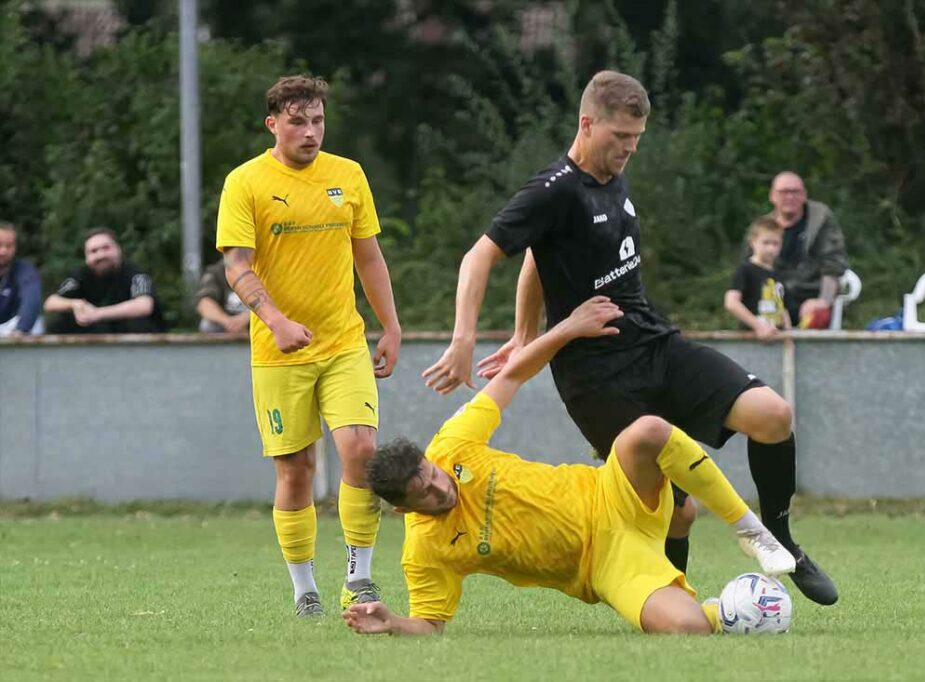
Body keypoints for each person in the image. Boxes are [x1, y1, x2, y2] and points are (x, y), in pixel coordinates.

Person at [423, 70, 837, 606]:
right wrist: (466, 341)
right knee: (677, 510)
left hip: (652, 340)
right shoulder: (554, 189)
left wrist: (525, 334)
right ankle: (674, 600)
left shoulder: (613, 175)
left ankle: (779, 535)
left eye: (636, 139)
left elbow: (537, 259)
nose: (629, 149)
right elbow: (480, 257)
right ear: (587, 123)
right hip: (595, 376)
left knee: (773, 415)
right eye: (620, 137)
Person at [346, 296, 795, 636]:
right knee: (688, 629)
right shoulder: (425, 550)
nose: (439, 488)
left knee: (647, 431)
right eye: (423, 493)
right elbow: (431, 623)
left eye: (432, 475)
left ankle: (748, 526)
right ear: (404, 511)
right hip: (604, 563)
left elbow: (512, 375)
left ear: (430, 460)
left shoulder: (453, 445)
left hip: (612, 492)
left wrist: (568, 327)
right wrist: (394, 622)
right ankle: (726, 605)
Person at [216, 74, 402, 618]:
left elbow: (368, 256)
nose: (311, 131)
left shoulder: (349, 176)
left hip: (344, 342)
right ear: (273, 124)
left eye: (318, 120)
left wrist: (389, 326)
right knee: (295, 469)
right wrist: (274, 320)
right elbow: (236, 267)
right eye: (298, 121)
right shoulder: (245, 182)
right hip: (279, 352)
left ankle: (360, 578)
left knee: (362, 452)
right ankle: (304, 589)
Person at [764, 171, 848, 329]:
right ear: (772, 196)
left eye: (795, 192)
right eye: (784, 192)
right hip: (774, 298)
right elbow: (751, 267)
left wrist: (822, 301)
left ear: (804, 195)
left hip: (812, 293)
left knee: (817, 316)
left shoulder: (821, 219)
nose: (790, 197)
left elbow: (833, 265)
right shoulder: (764, 228)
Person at [43, 227, 165, 334]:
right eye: (93, 251)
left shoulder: (135, 274)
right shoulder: (80, 275)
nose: (101, 255)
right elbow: (50, 303)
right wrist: (75, 304)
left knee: (137, 322)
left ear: (118, 250)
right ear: (86, 258)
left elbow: (144, 305)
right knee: (58, 322)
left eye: (106, 248)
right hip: (95, 332)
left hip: (135, 338)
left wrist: (98, 314)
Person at [724, 217, 792, 339]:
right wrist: (758, 326)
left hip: (777, 340)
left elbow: (782, 308)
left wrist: (789, 336)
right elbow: (731, 302)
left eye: (775, 243)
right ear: (753, 242)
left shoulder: (778, 275)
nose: (771, 248)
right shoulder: (745, 270)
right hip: (751, 340)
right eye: (766, 242)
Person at [0, 222, 43, 336]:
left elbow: (31, 298)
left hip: (14, 328)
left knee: (37, 323)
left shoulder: (25, 270)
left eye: (9, 246)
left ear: (15, 248)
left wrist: (22, 329)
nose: (3, 251)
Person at [194, 260, 249, 333]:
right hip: (227, 324)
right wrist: (229, 322)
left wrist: (246, 318)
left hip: (255, 320)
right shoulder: (217, 271)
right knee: (207, 325)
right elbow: (204, 303)